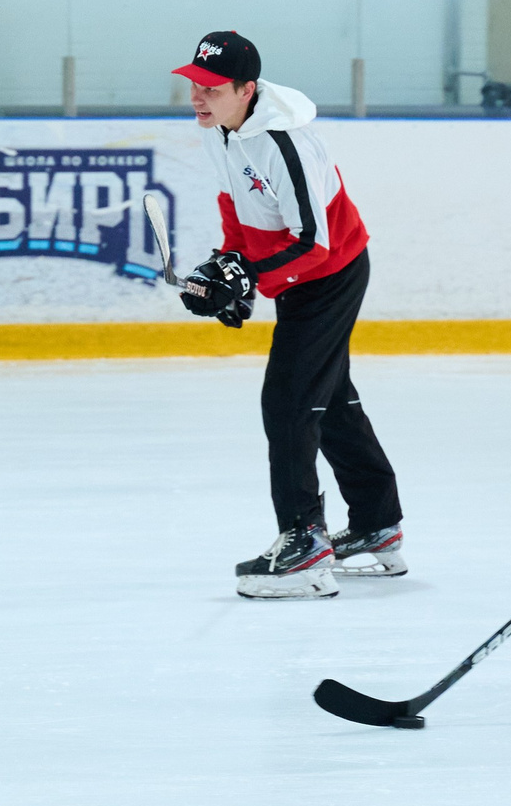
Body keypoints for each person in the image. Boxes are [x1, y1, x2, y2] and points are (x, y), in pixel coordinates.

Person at [172, 31, 406, 601]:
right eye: (193, 85)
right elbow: (237, 209)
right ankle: (378, 526)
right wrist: (227, 270)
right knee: (330, 402)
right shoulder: (220, 133)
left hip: (330, 273)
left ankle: (304, 545)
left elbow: (314, 244)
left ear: (247, 89)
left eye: (211, 88)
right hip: (299, 271)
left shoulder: (283, 142)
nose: (197, 97)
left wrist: (251, 277)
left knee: (290, 400)